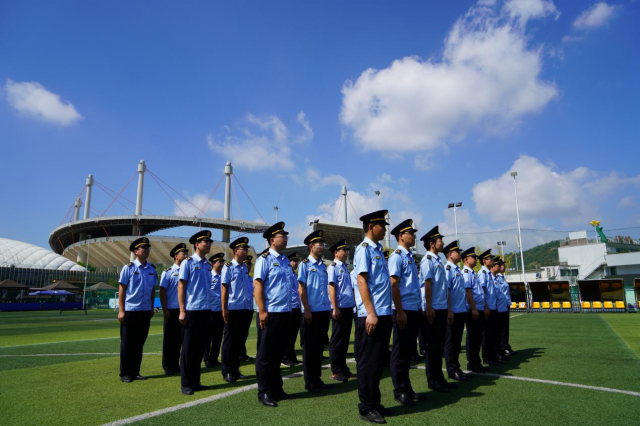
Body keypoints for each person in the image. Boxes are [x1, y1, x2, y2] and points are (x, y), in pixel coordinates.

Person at [353, 210, 393, 424]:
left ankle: (374, 403)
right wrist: (370, 312)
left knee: (378, 363)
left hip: (383, 313)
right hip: (371, 315)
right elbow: (361, 281)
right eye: (381, 225)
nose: (385, 229)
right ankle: (366, 407)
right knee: (368, 363)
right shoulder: (364, 250)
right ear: (371, 226)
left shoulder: (378, 250)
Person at [253, 222, 295, 407]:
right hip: (270, 313)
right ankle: (265, 392)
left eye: (286, 236)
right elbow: (258, 285)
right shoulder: (265, 259)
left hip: (285, 312)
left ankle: (277, 388)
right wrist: (262, 311)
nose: (285, 239)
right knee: (265, 355)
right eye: (282, 236)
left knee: (278, 354)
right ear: (272, 240)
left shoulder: (286, 260)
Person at [387, 219, 424, 406]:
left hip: (413, 309)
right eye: (411, 233)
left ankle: (407, 387)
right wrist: (400, 311)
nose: (414, 235)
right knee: (400, 352)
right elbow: (394, 284)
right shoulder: (397, 256)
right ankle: (399, 390)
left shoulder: (409, 256)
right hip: (403, 311)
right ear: (401, 236)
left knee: (408, 351)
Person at [419, 226, 454, 393]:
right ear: (432, 244)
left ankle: (439, 377)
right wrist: (429, 307)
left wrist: (447, 309)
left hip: (441, 308)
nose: (443, 243)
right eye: (441, 240)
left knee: (439, 345)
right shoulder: (427, 260)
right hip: (433, 308)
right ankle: (433, 380)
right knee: (432, 346)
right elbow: (427, 284)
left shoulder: (438, 260)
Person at [178, 230, 213, 395]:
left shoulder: (207, 265)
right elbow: (181, 286)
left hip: (205, 311)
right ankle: (186, 383)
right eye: (205, 241)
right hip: (192, 311)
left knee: (200, 348)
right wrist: (182, 310)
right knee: (188, 348)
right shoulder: (188, 262)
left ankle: (195, 381)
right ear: (197, 245)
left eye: (209, 241)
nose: (209, 244)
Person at [298, 230, 333, 393]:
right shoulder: (304, 264)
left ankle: (317, 378)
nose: (322, 246)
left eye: (323, 243)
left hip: (323, 311)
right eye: (319, 243)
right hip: (311, 312)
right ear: (311, 246)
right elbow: (301, 289)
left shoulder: (322, 266)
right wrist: (306, 310)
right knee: (310, 348)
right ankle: (309, 381)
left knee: (319, 347)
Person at [118, 237, 157, 383]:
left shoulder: (152, 269)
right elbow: (122, 288)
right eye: (143, 248)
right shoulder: (128, 268)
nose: (147, 250)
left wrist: (152, 307)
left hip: (145, 310)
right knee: (127, 343)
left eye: (148, 248)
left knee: (140, 342)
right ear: (136, 251)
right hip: (130, 310)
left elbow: (153, 289)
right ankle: (125, 373)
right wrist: (121, 310)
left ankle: (135, 371)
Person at [220, 237, 254, 382]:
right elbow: (224, 289)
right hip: (233, 309)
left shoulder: (244, 269)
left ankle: (235, 369)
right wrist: (224, 309)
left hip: (246, 309)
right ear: (235, 251)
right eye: (243, 249)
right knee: (229, 342)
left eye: (247, 249)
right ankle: (227, 370)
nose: (246, 251)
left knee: (239, 342)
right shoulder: (228, 267)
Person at [327, 239, 356, 382]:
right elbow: (331, 287)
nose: (346, 253)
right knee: (337, 340)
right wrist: (335, 307)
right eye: (343, 250)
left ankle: (344, 369)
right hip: (339, 308)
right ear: (336, 252)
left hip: (347, 307)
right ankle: (336, 370)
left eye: (347, 250)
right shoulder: (333, 267)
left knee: (344, 340)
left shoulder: (344, 268)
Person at [159, 242, 188, 376]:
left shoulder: (187, 271)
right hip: (172, 309)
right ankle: (168, 366)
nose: (186, 255)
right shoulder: (168, 272)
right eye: (183, 253)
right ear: (176, 256)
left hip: (185, 309)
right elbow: (162, 292)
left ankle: (177, 365)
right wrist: (165, 310)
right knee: (170, 340)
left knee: (182, 340)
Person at [442, 241, 469, 382]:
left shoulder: (456, 269)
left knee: (457, 341)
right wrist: (449, 310)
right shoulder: (447, 269)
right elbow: (446, 290)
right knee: (451, 342)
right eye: (457, 252)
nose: (459, 254)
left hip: (460, 310)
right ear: (450, 254)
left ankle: (456, 366)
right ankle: (452, 369)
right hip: (453, 311)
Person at [461, 247, 489, 373]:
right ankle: (472, 362)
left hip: (479, 308)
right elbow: (468, 292)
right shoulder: (466, 273)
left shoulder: (472, 273)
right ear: (466, 259)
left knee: (477, 337)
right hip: (473, 309)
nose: (476, 259)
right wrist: (473, 308)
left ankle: (476, 361)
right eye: (474, 257)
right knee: (473, 337)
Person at [478, 249, 502, 366]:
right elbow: (482, 291)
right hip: (487, 308)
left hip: (493, 307)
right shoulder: (482, 274)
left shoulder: (488, 273)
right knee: (487, 334)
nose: (492, 260)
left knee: (492, 333)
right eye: (489, 259)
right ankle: (487, 357)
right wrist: (486, 307)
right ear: (484, 261)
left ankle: (492, 355)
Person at [203, 252, 225, 368]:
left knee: (218, 336)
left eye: (222, 262)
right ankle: (207, 359)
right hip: (210, 310)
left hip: (220, 311)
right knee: (207, 336)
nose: (221, 264)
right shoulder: (209, 276)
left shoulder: (224, 276)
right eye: (219, 262)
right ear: (213, 264)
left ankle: (214, 358)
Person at [282, 252, 302, 367]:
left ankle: (291, 356)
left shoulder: (295, 275)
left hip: (296, 307)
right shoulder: (286, 274)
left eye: (296, 261)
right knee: (287, 334)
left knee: (293, 333)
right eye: (294, 261)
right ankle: (285, 357)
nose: (296, 263)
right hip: (288, 307)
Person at [492, 256, 509, 362]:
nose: (502, 266)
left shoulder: (499, 277)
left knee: (503, 330)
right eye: (499, 264)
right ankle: (497, 352)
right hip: (496, 308)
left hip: (502, 307)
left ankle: (502, 350)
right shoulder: (493, 277)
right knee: (497, 332)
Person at [498, 261, 517, 355]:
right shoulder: (496, 277)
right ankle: (503, 347)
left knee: (506, 327)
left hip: (505, 304)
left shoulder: (501, 277)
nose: (504, 267)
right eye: (502, 265)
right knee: (502, 328)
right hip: (500, 306)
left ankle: (505, 345)